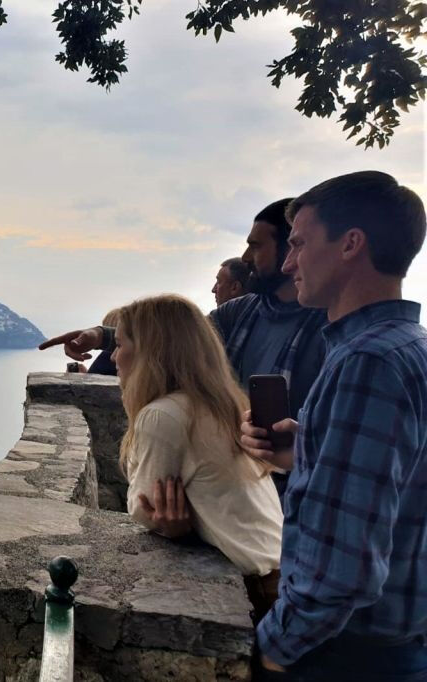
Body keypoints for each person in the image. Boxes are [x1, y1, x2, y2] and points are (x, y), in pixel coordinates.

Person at [241, 171, 427, 681]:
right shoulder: (410, 347)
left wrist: (271, 651)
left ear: (350, 244)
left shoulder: (367, 362)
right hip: (396, 642)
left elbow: (345, 572)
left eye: (299, 243)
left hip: (344, 654)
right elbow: (402, 490)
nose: (288, 263)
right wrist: (306, 453)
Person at [41, 199, 328, 496]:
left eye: (255, 247)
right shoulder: (241, 312)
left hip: (295, 492)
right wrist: (100, 335)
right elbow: (176, 339)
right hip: (234, 485)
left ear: (291, 249)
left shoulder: (328, 326)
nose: (244, 257)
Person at [115, 294, 282, 621]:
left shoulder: (164, 416)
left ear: (149, 352)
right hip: (280, 575)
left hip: (255, 594)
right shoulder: (225, 404)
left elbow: (144, 507)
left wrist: (171, 524)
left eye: (120, 344)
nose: (113, 356)